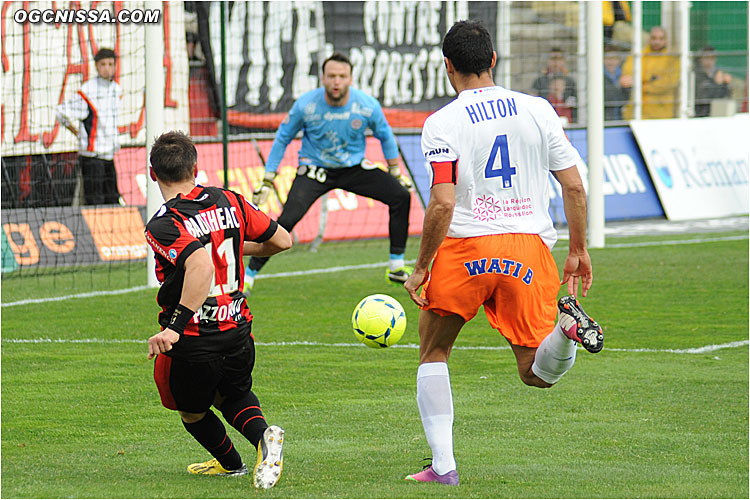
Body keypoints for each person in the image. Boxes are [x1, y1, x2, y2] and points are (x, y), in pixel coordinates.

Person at [402, 20, 603, 486]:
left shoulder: (442, 122)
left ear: (447, 66)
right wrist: (577, 249)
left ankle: (444, 467)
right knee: (536, 373)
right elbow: (573, 184)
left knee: (434, 351)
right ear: (493, 59)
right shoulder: (537, 109)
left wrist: (421, 267)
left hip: (465, 250)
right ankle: (567, 331)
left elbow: (444, 200)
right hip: (528, 249)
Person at [145, 131, 291, 489]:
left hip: (196, 337)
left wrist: (173, 328)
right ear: (196, 167)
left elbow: (201, 268)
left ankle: (231, 464)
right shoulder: (228, 199)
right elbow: (282, 240)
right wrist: (231, 246)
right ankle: (263, 441)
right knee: (234, 395)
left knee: (192, 411)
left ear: (152, 174)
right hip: (238, 328)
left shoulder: (164, 223)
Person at [245, 51, 413, 292]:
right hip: (315, 170)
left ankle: (396, 266)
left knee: (401, 196)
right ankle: (249, 274)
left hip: (354, 168)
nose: (337, 82)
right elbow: (283, 137)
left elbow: (385, 135)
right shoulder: (306, 105)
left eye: (342, 76)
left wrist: (395, 171)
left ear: (351, 79)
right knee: (287, 221)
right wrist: (269, 176)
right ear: (322, 78)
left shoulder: (366, 105)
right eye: (332, 76)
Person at [56, 48, 123, 205]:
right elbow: (61, 113)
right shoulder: (88, 90)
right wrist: (78, 133)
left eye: (110, 64)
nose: (107, 68)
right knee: (95, 201)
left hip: (109, 155)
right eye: (103, 64)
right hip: (92, 156)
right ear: (96, 66)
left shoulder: (116, 90)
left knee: (113, 199)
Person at [620, 26, 680, 119]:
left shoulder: (671, 59)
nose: (657, 42)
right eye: (654, 38)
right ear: (649, 39)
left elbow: (667, 83)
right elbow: (626, 78)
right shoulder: (638, 55)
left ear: (666, 40)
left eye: (661, 39)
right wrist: (653, 78)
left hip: (661, 113)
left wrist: (640, 83)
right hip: (635, 112)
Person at [531, 47, 578, 123]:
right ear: (548, 61)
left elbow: (574, 108)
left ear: (563, 61)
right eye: (553, 59)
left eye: (559, 59)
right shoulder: (539, 81)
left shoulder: (570, 82)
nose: (556, 63)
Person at [694, 45, 733, 118]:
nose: (709, 61)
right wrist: (718, 84)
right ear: (700, 59)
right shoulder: (696, 74)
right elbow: (703, 97)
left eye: (712, 58)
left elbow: (725, 96)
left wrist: (725, 83)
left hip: (715, 114)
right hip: (700, 114)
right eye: (706, 58)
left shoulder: (717, 73)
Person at [604, 45, 630, 121]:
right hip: (605, 119)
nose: (611, 62)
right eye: (607, 58)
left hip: (622, 118)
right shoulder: (598, 77)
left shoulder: (625, 74)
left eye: (614, 58)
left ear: (619, 60)